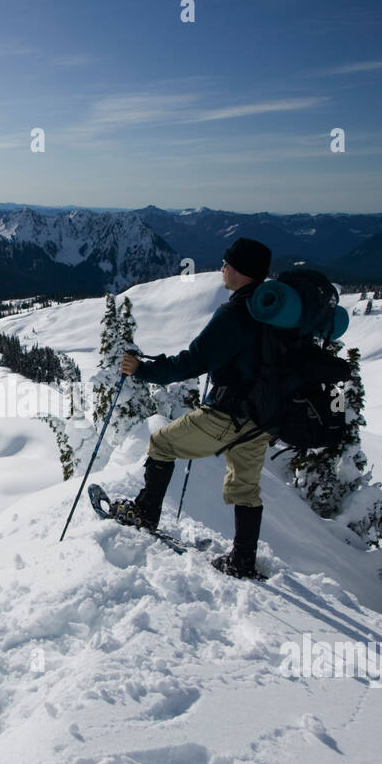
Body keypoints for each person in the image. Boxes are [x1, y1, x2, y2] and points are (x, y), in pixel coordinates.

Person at [111, 236, 273, 579]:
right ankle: (243, 560)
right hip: (264, 417)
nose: (222, 269)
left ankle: (145, 512)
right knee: (246, 486)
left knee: (162, 443)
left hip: (229, 413)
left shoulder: (236, 313)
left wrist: (144, 370)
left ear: (241, 271)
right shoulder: (273, 310)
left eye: (227, 263)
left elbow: (193, 361)